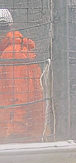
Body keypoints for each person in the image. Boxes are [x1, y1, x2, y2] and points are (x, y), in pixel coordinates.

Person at [0, 10, 47, 139]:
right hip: (18, 129)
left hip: (18, 133)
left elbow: (21, 96)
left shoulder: (12, 53)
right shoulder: (12, 50)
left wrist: (16, 133)